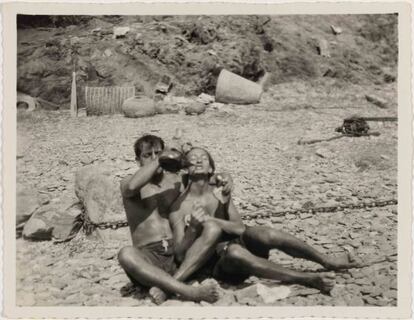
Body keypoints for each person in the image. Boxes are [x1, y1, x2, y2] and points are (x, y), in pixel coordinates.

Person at [170, 147, 361, 294]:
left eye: (203, 157)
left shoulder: (219, 192)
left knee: (263, 232)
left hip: (235, 242)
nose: (198, 160)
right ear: (186, 169)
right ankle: (307, 278)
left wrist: (213, 220)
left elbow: (239, 228)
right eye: (193, 158)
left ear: (211, 167)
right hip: (216, 261)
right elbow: (179, 255)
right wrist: (193, 228)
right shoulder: (179, 206)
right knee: (236, 251)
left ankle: (326, 260)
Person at [117, 134, 232, 304]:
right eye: (147, 155)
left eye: (158, 152)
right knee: (126, 254)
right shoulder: (129, 182)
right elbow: (132, 187)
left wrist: (226, 177)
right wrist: (162, 158)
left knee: (211, 230)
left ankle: (169, 287)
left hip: (178, 254)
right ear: (137, 160)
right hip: (148, 257)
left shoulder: (177, 181)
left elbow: (206, 178)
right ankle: (190, 292)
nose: (154, 158)